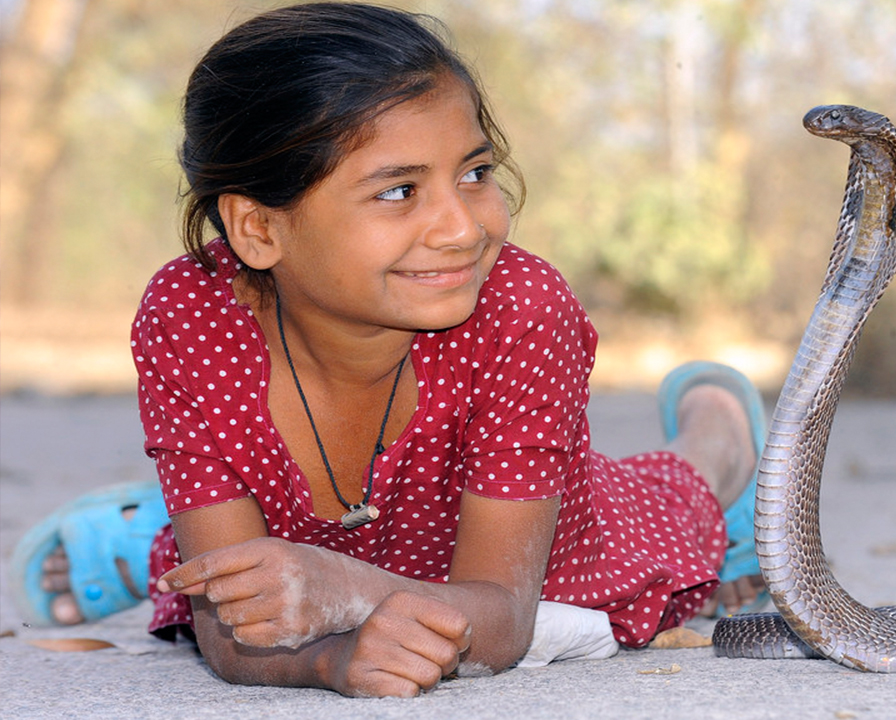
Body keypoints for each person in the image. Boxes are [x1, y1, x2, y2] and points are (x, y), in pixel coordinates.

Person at [8, 2, 767, 698]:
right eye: (400, 191)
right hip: (313, 546)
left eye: (475, 173)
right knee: (256, 564)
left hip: (536, 545)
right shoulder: (190, 317)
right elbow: (228, 631)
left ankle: (719, 426)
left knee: (681, 500)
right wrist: (325, 660)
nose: (464, 228)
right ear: (258, 230)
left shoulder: (519, 308)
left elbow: (500, 621)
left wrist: (339, 589)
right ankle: (178, 528)